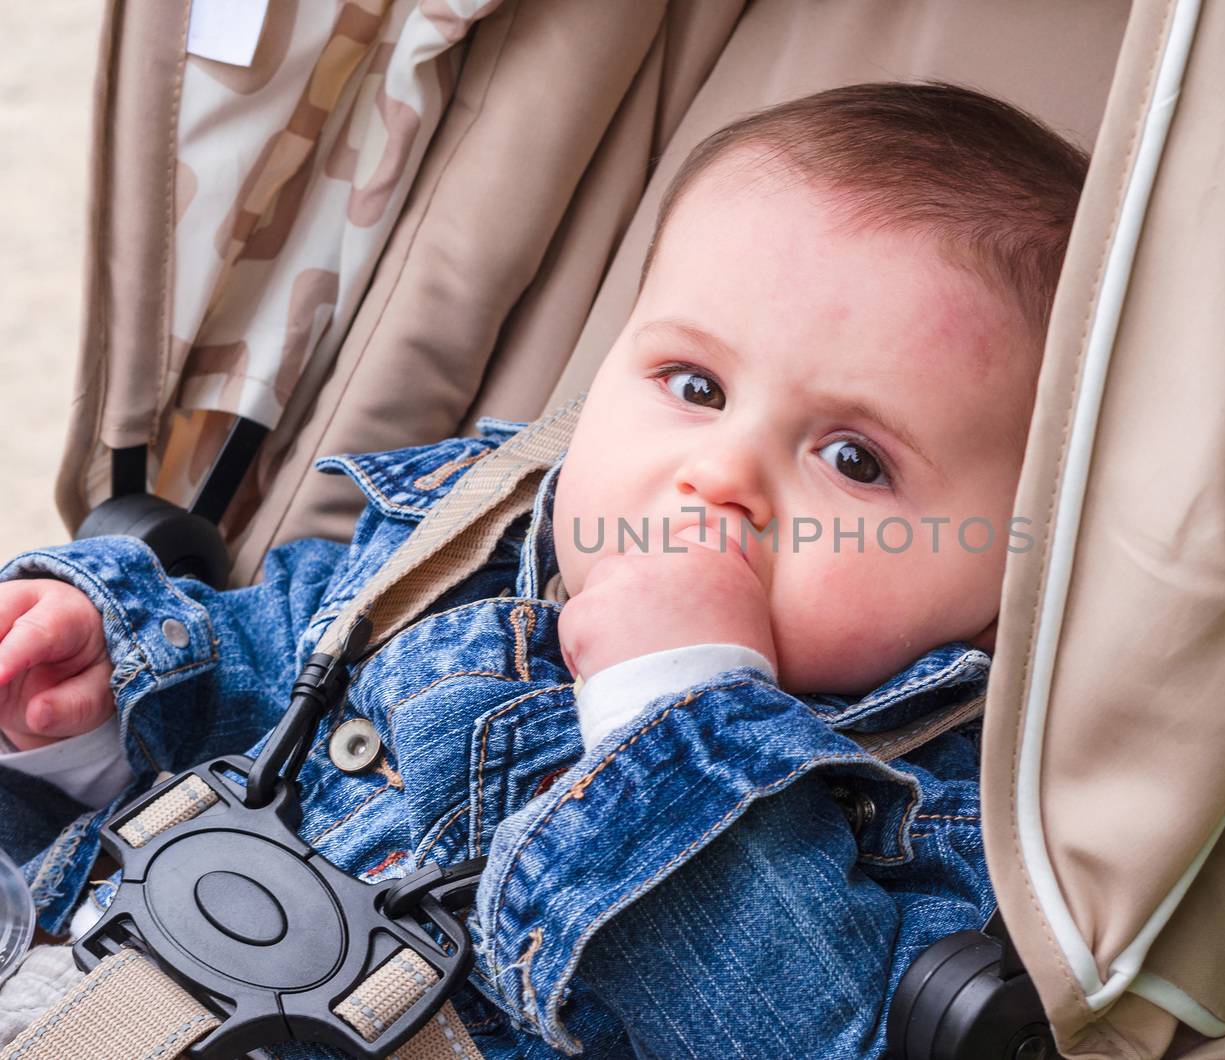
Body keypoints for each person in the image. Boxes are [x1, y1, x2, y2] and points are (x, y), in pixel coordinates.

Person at [0, 81, 1089, 1057]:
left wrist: (673, 711)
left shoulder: (929, 812)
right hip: (70, 968)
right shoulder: (457, 548)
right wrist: (93, 714)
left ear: (1003, 592)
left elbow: (806, 1028)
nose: (715, 476)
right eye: (694, 385)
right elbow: (263, 665)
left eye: (855, 459)